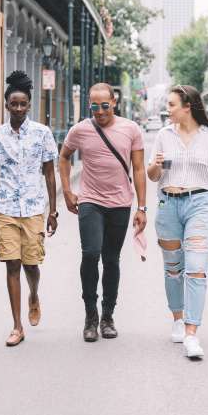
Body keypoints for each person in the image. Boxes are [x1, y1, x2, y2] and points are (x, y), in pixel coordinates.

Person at [146, 85, 208, 359]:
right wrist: (156, 166)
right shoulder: (163, 135)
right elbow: (153, 176)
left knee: (195, 268)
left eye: (171, 105)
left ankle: (192, 334)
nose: (167, 109)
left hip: (200, 205)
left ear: (187, 107)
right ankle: (178, 319)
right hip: (168, 204)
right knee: (173, 268)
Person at [58, 83, 146, 342]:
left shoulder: (131, 129)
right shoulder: (80, 130)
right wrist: (66, 191)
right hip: (90, 201)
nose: (99, 111)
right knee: (90, 254)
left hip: (120, 203)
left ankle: (107, 316)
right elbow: (64, 157)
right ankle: (90, 316)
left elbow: (139, 169)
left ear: (114, 102)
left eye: (104, 106)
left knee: (111, 260)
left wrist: (142, 207)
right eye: (94, 106)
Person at [0, 72, 58, 347]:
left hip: (34, 207)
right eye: (13, 104)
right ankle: (17, 326)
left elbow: (50, 174)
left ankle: (34, 294)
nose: (17, 108)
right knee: (11, 265)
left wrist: (53, 211)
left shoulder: (42, 134)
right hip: (5, 208)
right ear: (6, 105)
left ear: (28, 105)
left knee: (31, 264)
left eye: (22, 104)